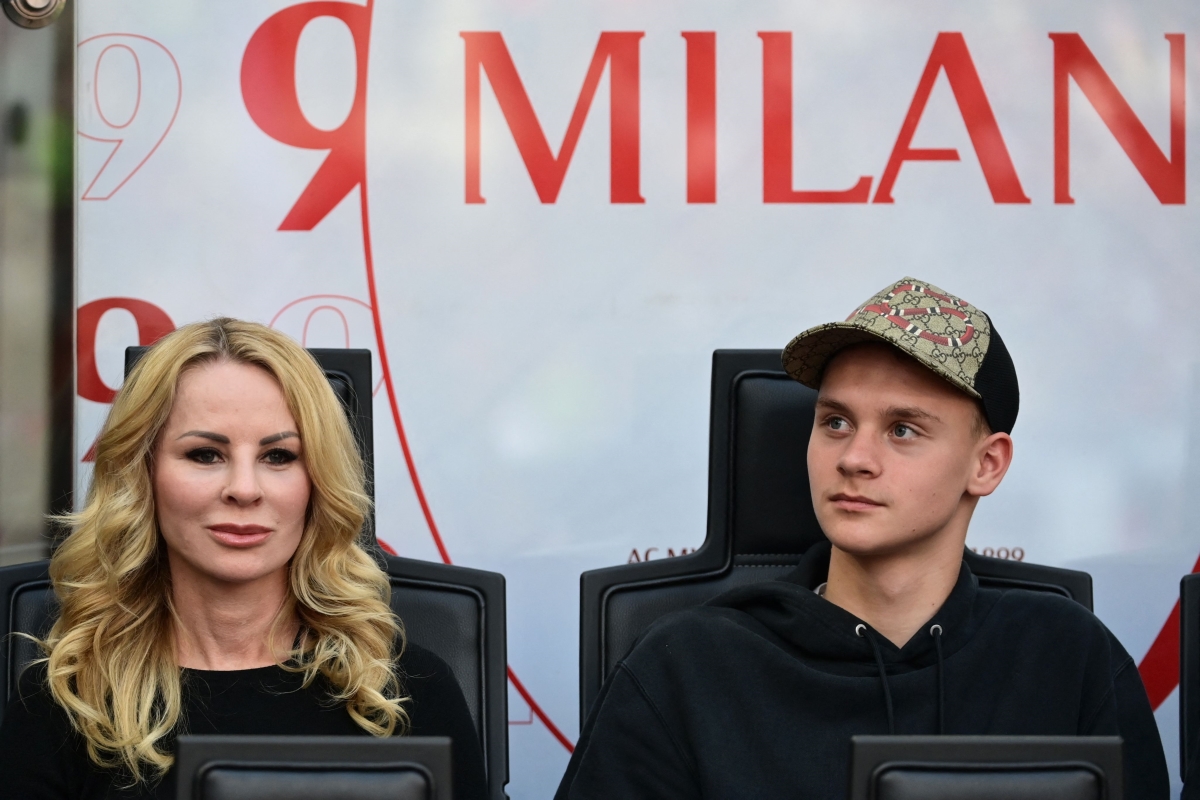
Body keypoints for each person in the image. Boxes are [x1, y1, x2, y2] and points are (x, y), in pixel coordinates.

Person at [555, 277, 1169, 799]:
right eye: (836, 422)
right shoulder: (687, 667)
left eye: (902, 429)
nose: (854, 458)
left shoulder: (1067, 660)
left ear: (987, 465)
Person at [0, 318, 487, 800]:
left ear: (316, 482)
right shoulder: (64, 704)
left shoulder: (410, 692)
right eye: (205, 454)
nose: (244, 490)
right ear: (140, 474)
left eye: (279, 457)